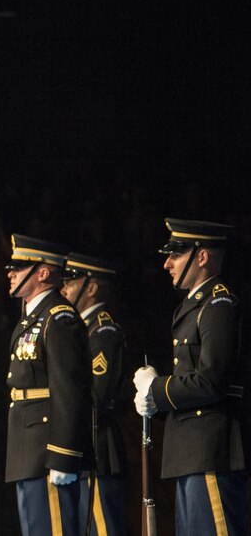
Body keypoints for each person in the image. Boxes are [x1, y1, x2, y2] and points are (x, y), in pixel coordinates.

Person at [133, 218, 248, 535]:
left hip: (210, 447)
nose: (167, 263)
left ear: (202, 256)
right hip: (192, 449)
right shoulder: (194, 305)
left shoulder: (219, 303)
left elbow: (211, 380)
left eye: (176, 254)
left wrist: (156, 390)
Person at [4, 235, 92, 536]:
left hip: (46, 449)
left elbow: (69, 390)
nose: (10, 273)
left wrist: (63, 455)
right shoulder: (31, 319)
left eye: (18, 266)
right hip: (27, 447)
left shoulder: (58, 317)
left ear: (42, 273)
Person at [62, 253, 127, 536]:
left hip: (97, 450)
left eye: (71, 282)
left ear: (91, 288)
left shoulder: (102, 331)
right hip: (80, 449)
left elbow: (96, 397)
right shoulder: (79, 330)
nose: (63, 289)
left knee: (101, 528)